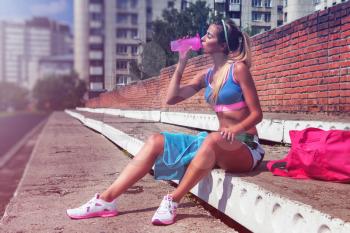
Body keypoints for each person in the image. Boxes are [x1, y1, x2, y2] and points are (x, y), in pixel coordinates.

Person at [66, 19, 265, 225]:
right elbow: (172, 98)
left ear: (222, 46)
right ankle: (105, 201)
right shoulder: (206, 76)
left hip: (246, 145)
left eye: (209, 36)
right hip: (217, 143)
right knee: (156, 140)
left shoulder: (238, 69)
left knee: (213, 140)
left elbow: (257, 114)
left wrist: (237, 130)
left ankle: (172, 200)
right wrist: (181, 63)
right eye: (204, 35)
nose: (203, 39)